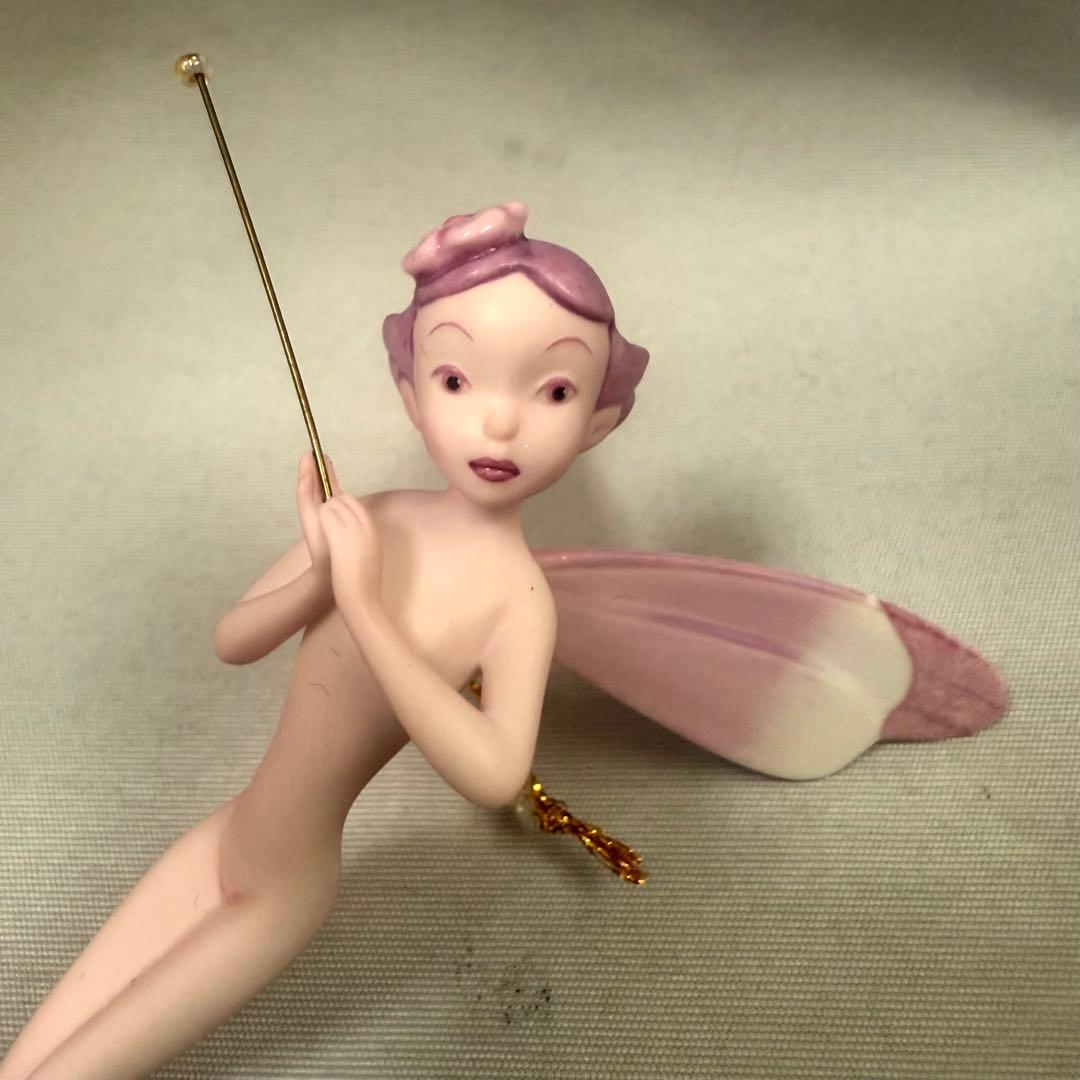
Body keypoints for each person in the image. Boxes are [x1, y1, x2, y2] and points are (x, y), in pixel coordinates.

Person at [0, 202, 650, 1079]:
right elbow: (232, 640)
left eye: (556, 391)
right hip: (225, 837)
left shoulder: (518, 600)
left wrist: (364, 606)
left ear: (599, 421)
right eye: (458, 380)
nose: (500, 425)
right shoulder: (369, 519)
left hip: (285, 890)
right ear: (410, 392)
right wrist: (316, 575)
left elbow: (497, 776)